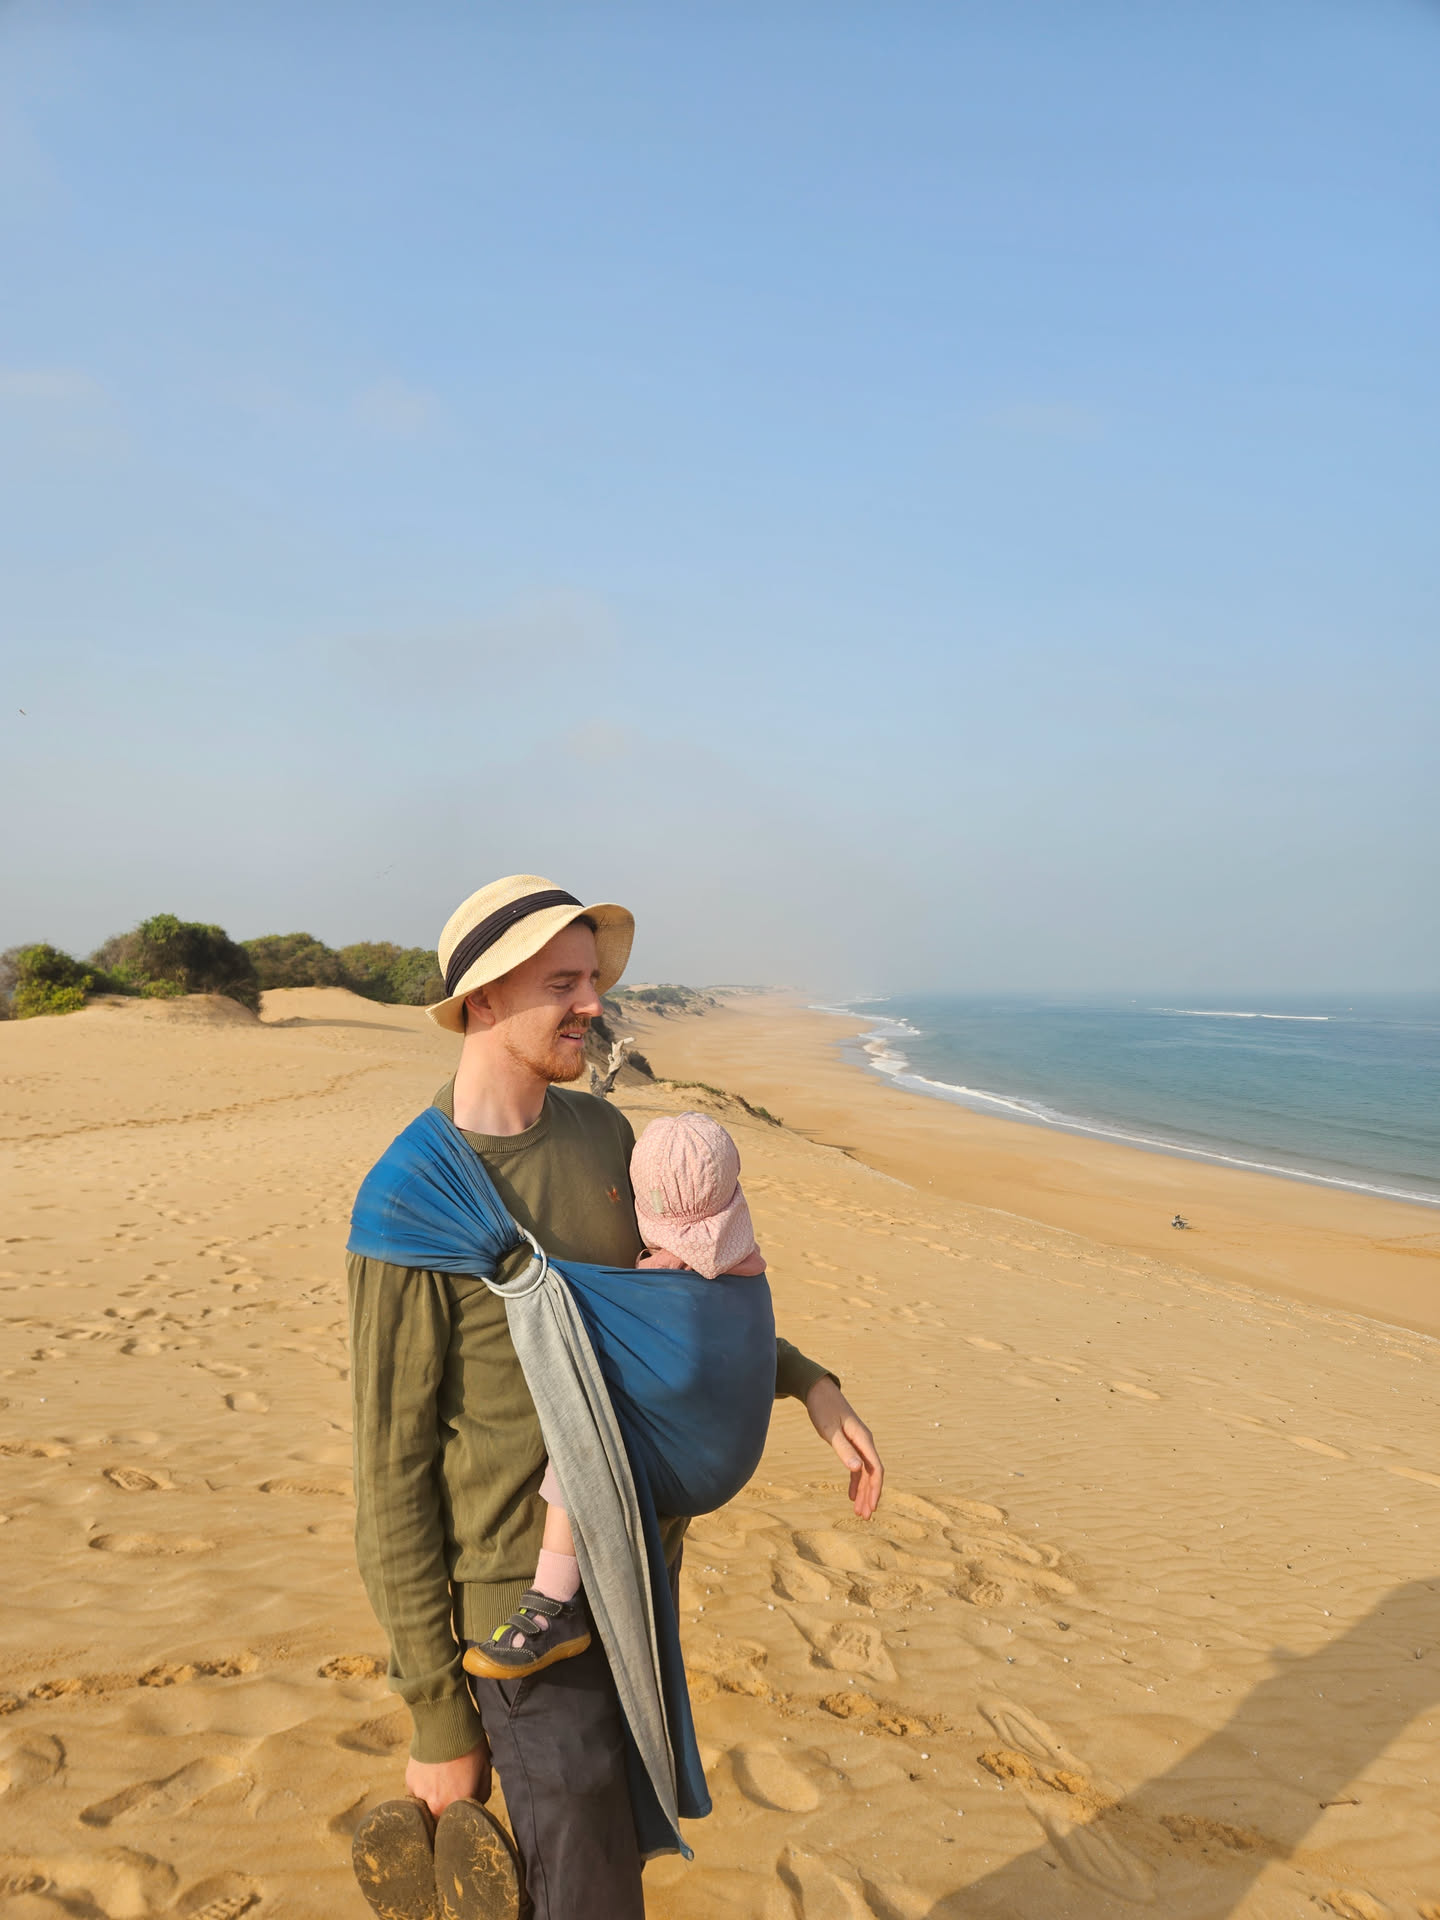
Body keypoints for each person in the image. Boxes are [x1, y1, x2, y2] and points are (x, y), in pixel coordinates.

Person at [347, 875, 883, 1920]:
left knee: (599, 1874)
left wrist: (807, 1380)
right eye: (565, 983)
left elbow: (672, 1309)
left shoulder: (603, 1137)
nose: (594, 1003)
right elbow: (389, 1474)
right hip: (521, 1618)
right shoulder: (412, 1199)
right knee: (587, 1895)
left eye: (593, 978)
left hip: (632, 1580)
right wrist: (437, 1717)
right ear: (484, 998)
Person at [465, 1110, 770, 1681]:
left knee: (583, 1431)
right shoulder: (746, 1264)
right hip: (731, 1454)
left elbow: (590, 1304)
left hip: (680, 1472)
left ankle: (553, 1602)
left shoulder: (658, 1281)